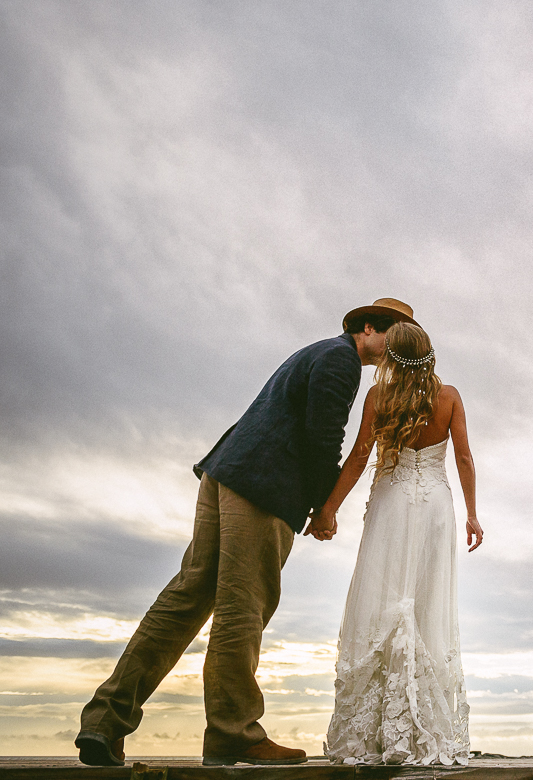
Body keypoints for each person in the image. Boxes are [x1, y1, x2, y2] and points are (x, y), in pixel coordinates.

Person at [75, 298, 417, 767]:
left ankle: (103, 722)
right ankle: (234, 733)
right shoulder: (341, 361)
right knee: (244, 606)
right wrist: (325, 508)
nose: (396, 347)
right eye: (394, 335)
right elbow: (323, 438)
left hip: (227, 473)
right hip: (263, 487)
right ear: (371, 328)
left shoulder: (316, 352)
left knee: (185, 598)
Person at [315, 321, 482, 766]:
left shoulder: (378, 397)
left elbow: (357, 458)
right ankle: (421, 730)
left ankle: (376, 736)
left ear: (391, 355)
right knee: (427, 605)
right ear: (428, 353)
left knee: (383, 599)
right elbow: (463, 456)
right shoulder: (448, 397)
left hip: (391, 503)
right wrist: (472, 513)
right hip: (434, 507)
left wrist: (328, 507)